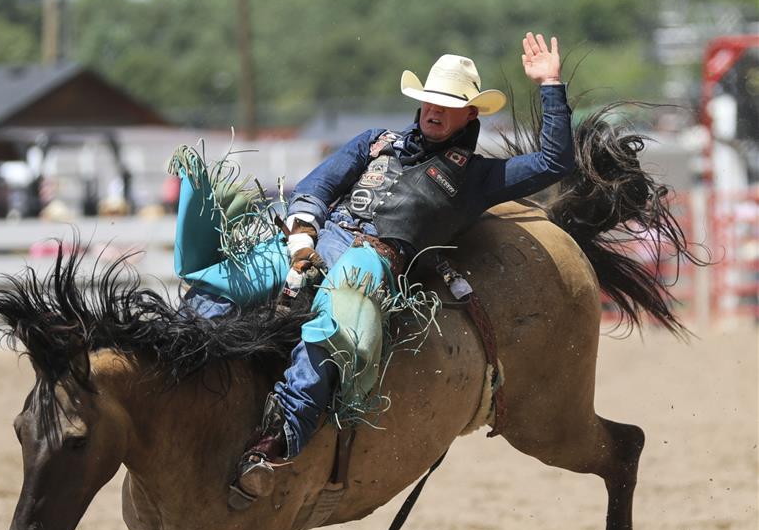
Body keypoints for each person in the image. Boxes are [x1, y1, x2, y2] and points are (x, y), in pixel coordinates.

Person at [221, 32, 576, 505]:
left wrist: (550, 85)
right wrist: (303, 230)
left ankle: (276, 444)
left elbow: (555, 160)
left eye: (447, 103)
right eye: (430, 100)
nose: (434, 109)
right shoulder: (374, 141)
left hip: (373, 261)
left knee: (336, 325)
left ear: (470, 114)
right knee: (222, 284)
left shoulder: (476, 177)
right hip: (314, 242)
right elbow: (318, 185)